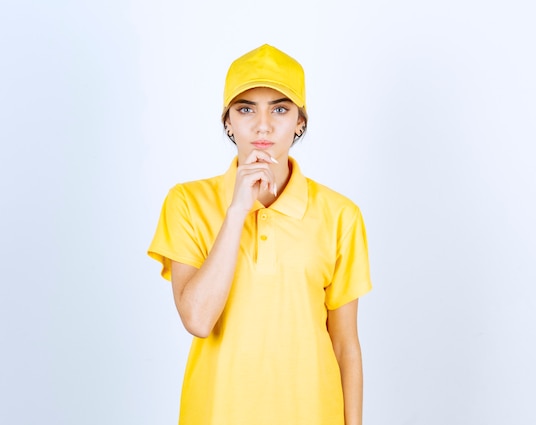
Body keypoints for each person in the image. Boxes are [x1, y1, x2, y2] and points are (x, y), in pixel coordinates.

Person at [148, 44, 372, 425]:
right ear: (228, 122)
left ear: (300, 122)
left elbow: (345, 343)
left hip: (314, 412)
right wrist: (236, 210)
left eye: (280, 109)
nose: (263, 125)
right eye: (246, 109)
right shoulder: (186, 202)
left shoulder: (340, 214)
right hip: (216, 412)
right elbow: (198, 320)